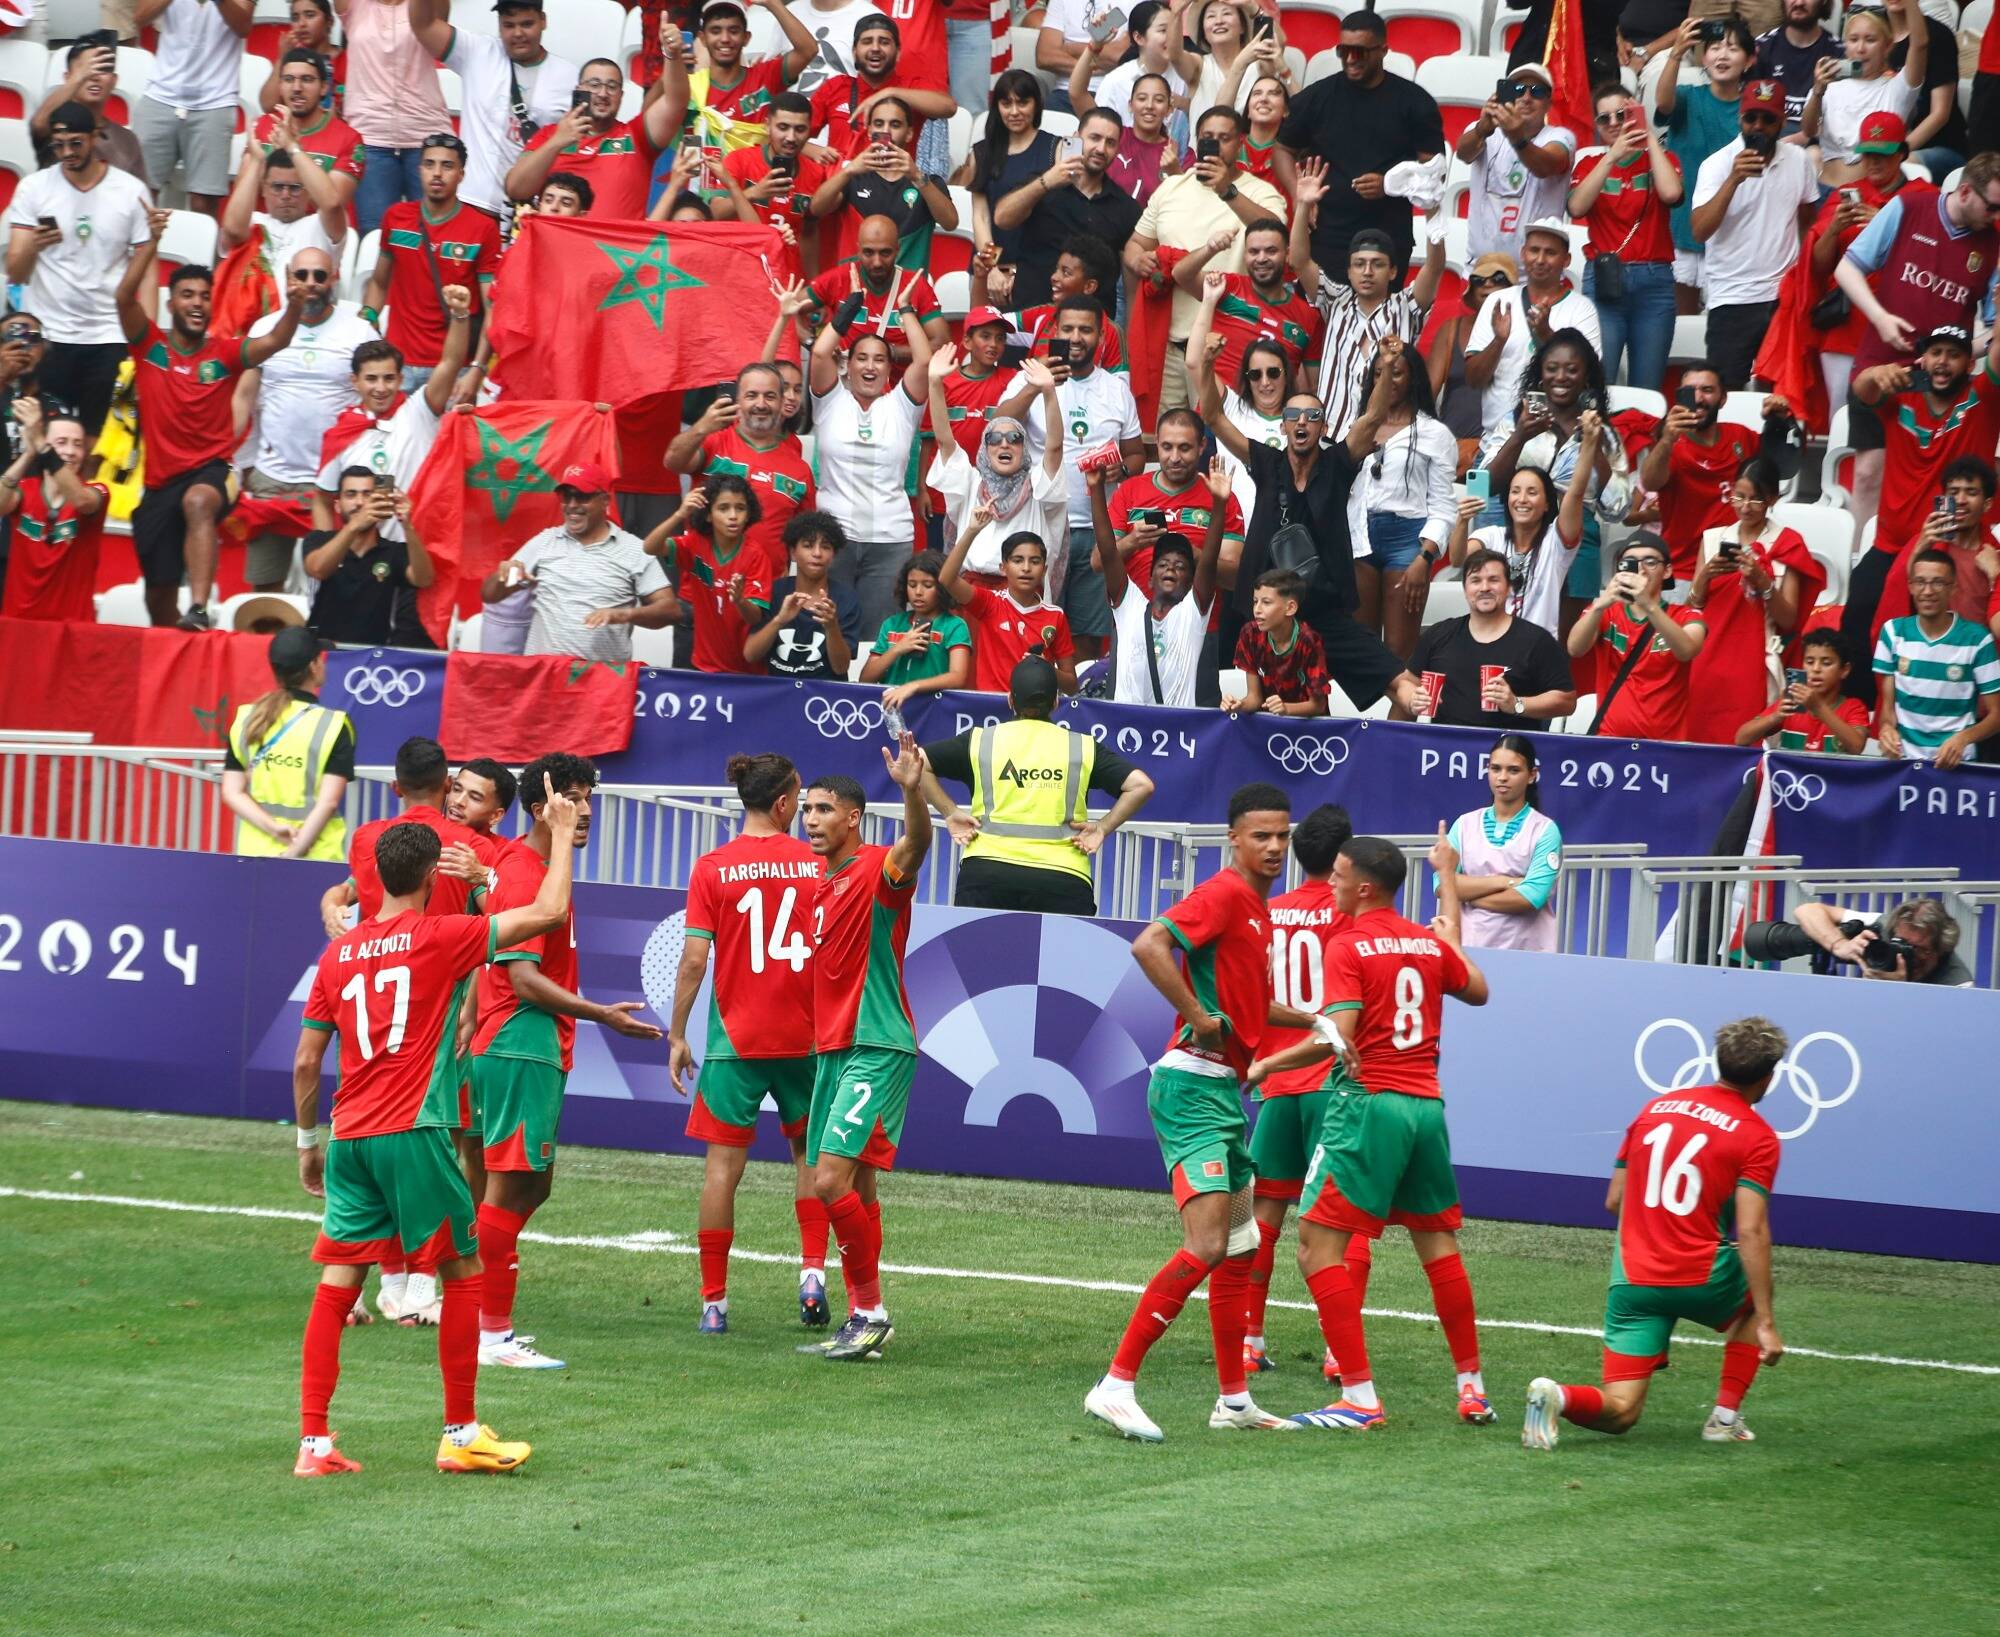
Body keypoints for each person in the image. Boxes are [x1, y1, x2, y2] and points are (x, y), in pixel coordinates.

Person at [290, 789, 582, 1477]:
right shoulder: (440, 936)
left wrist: (306, 1142)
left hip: (349, 1136)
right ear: (430, 877)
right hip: (415, 1129)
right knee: (463, 1270)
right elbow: (548, 912)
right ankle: (460, 1434)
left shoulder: (338, 954)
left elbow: (305, 1060)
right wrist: (564, 833)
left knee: (338, 1281)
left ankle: (314, 1444)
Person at [1243, 831, 1495, 1431]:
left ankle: (1358, 1396)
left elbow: (1339, 1037)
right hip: (1425, 1108)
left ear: (1362, 887)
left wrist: (1265, 1065)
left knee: (1316, 1245)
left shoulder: (1350, 944)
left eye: (1337, 874)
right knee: (1438, 1246)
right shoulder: (1424, 942)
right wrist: (1449, 924)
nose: (1329, 882)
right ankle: (1473, 1389)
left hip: (1368, 1105)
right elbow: (1478, 990)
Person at [1085, 782, 1310, 1442]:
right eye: (1261, 835)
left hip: (1222, 1093)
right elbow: (1148, 944)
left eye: (1282, 835)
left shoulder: (1257, 910)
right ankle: (1115, 1384)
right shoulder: (1225, 894)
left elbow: (1251, 1005)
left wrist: (1317, 1023)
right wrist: (1197, 1016)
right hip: (1192, 1089)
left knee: (1241, 1245)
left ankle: (1234, 1401)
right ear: (1234, 839)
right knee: (1209, 1244)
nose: (1274, 846)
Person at [471, 753, 664, 1370]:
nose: (585, 811)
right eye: (572, 799)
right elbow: (523, 980)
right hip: (519, 1042)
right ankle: (491, 1335)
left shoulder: (537, 869)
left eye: (588, 798)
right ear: (540, 809)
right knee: (509, 1186)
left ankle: (477, 1306)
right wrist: (602, 1013)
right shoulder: (526, 874)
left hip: (530, 1045)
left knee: (533, 1184)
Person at [1522, 1015, 1788, 1452]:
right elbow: (1752, 1229)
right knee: (1756, 1301)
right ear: (1768, 1078)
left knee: (1622, 1411)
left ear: (1718, 1060)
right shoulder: (1757, 1136)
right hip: (1702, 1277)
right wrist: (1769, 1321)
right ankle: (1723, 1420)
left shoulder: (1655, 1109)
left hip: (1634, 1281)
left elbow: (1614, 1200)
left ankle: (1558, 1396)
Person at [319, 733, 501, 1327]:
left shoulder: (369, 839)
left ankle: (383, 1281)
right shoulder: (470, 846)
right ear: (447, 785)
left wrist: (333, 897)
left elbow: (356, 894)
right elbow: (503, 920)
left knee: (373, 1135)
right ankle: (423, 1284)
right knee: (440, 1144)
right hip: (438, 1003)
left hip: (369, 997)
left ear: (395, 786)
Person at [666, 751, 831, 1336]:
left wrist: (678, 1033)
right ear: (783, 803)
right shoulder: (817, 864)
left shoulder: (712, 867)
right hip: (805, 1037)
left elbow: (693, 961)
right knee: (809, 1157)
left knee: (721, 1171)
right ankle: (812, 1275)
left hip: (736, 1042)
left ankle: (714, 1304)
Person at [797, 735, 933, 1363]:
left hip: (876, 1043)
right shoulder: (820, 887)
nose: (811, 819)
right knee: (859, 1186)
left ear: (853, 818)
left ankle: (871, 1312)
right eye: (807, 809)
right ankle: (863, 1318)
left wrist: (912, 790)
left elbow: (917, 844)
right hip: (834, 1049)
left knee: (828, 1180)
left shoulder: (877, 869)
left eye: (823, 809)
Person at [1204, 334, 1425, 717]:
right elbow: (1214, 417)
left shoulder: (1338, 463)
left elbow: (1373, 417)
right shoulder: (1266, 463)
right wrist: (1207, 364)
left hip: (1324, 613)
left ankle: (1399, 748)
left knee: (1409, 689)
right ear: (1283, 427)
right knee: (1271, 706)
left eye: (1312, 417)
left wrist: (1388, 365)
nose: (1302, 422)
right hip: (1271, 616)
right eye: (1293, 416)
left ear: (1323, 428)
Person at [121, 224, 305, 630]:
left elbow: (276, 340)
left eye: (205, 296)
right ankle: (177, 644)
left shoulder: (225, 353)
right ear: (171, 303)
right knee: (158, 600)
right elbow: (122, 297)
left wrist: (294, 307)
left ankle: (201, 609)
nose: (197, 303)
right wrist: (151, 244)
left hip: (215, 471)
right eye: (187, 295)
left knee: (199, 501)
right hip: (159, 485)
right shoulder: (150, 346)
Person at [1237, 801, 1354, 1379]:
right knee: (1341, 1216)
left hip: (1276, 1081)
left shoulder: (1270, 912)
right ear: (1342, 857)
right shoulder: (1346, 914)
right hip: (1330, 1079)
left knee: (1264, 1214)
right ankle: (1338, 1349)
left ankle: (1249, 1339)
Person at [1833, 154, 2000, 526]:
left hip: (1940, 380)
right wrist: (1880, 318)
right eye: (1992, 206)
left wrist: (1957, 352)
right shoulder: (1908, 207)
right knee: (1868, 473)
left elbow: (1994, 330)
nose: (1996, 215)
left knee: (1939, 479)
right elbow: (1847, 268)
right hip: (1881, 364)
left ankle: (1936, 554)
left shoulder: (1994, 244)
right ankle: (1866, 554)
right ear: (1966, 192)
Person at [919, 654, 1154, 915]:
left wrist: (950, 812)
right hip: (1064, 878)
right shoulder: (1082, 747)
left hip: (987, 874)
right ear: (1055, 702)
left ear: (1010, 699)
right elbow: (1141, 785)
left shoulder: (981, 740)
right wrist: (1102, 828)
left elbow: (918, 763)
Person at [6, 101, 155, 442]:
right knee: (44, 439)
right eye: (58, 145)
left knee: (98, 441)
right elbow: (15, 271)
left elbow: (147, 269)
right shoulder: (34, 188)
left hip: (109, 334)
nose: (67, 153)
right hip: (49, 334)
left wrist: (143, 338)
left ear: (94, 136)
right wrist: (34, 246)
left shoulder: (130, 191)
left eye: (76, 143)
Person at [1846, 323, 2000, 649]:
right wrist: (1874, 373)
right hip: (1891, 545)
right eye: (1935, 352)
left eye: (1953, 354)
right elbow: (1862, 392)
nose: (1942, 361)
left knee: (1952, 640)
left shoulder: (1982, 397)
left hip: (1955, 549)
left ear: (1970, 364)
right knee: (1858, 612)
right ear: (1923, 360)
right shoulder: (1900, 399)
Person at [1125, 106, 1288, 413]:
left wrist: (1226, 190)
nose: (1215, 144)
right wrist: (1138, 260)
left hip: (1226, 344)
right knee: (1167, 436)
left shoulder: (1259, 192)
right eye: (1207, 138)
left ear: (1240, 143)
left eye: (1224, 138)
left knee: (1220, 436)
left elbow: (1276, 234)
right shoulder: (1172, 186)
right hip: (1168, 342)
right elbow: (1136, 244)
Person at [237, 249, 378, 593]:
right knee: (264, 589)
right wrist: (226, 459)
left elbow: (378, 400)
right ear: (288, 277)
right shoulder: (264, 328)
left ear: (335, 278)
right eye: (301, 275)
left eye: (319, 275)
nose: (310, 283)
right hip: (272, 477)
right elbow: (242, 398)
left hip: (333, 485)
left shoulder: (360, 332)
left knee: (335, 586)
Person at [1276, 10, 1443, 287]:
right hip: (1327, 235)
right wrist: (1299, 196)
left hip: (1388, 240)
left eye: (1361, 51)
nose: (1351, 59)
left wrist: (1389, 184)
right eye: (1344, 51)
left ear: (1383, 51)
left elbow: (1435, 171)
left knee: (1381, 315)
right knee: (1320, 313)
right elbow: (1282, 149)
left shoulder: (1415, 102)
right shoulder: (1317, 97)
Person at [801, 285, 931, 638]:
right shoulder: (830, 400)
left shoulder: (902, 405)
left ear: (889, 369)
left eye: (879, 359)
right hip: (833, 540)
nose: (870, 366)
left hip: (890, 542)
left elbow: (923, 360)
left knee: (878, 640)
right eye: (861, 358)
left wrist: (905, 309)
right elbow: (820, 352)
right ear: (847, 364)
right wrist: (847, 312)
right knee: (827, 636)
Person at [1690, 78, 1823, 389]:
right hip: (1732, 299)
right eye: (1751, 118)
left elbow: (1807, 220)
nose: (1758, 126)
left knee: (1780, 396)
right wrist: (1733, 180)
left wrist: (1802, 281)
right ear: (1740, 118)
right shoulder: (1718, 164)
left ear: (1782, 121)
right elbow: (1699, 230)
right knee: (1725, 395)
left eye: (1768, 118)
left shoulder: (1798, 160)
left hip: (1782, 298)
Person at [1684, 457, 1823, 745]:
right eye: (1739, 496)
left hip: (1754, 660)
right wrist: (1705, 576)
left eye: (1756, 500)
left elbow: (1789, 620)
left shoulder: (1786, 543)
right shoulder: (1713, 538)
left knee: (1746, 743)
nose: (1745, 507)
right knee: (1700, 740)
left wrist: (1763, 582)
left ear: (1772, 499)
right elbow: (1693, 607)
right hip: (1707, 658)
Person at [481, 462, 675, 664]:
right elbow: (490, 595)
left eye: (582, 496)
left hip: (602, 677)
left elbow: (669, 610)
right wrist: (503, 576)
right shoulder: (545, 541)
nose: (572, 505)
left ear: (605, 501)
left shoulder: (634, 549)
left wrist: (622, 615)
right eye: (566, 497)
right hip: (545, 673)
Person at [407, 0, 581, 224]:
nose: (518, 33)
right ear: (499, 26)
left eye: (527, 24)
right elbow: (423, 24)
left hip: (528, 214)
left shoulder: (569, 77)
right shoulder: (477, 52)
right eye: (509, 25)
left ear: (543, 21)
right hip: (469, 205)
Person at [1097, 404, 1244, 665]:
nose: (1174, 457)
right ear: (1157, 444)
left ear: (1202, 446)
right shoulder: (1129, 491)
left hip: (1197, 630)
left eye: (1184, 448)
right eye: (1167, 447)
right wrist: (1132, 542)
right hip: (1135, 623)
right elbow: (1097, 562)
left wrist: (1191, 553)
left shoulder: (1222, 498)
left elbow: (1234, 579)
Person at [1040, 295, 1143, 655]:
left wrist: (1123, 468)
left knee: (1086, 635)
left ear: (1101, 336)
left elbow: (1137, 454)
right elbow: (1000, 421)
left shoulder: (1117, 389)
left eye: (1085, 330)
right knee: (1038, 628)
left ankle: (1080, 690)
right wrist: (1036, 385)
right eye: (1067, 328)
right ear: (1054, 331)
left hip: (1099, 531)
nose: (1075, 337)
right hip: (1044, 524)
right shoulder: (1034, 379)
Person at [361, 134, 502, 393]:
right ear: (419, 170)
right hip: (397, 365)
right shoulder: (396, 217)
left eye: (447, 166)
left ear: (461, 174)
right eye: (429, 164)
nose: (437, 173)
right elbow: (379, 282)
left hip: (453, 368)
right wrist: (368, 318)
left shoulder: (483, 228)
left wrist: (477, 369)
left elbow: (492, 308)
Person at [1567, 80, 1683, 393]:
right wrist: (1611, 157)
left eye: (1622, 114)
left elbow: (1671, 194)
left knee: (1647, 388)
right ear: (1596, 125)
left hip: (1654, 283)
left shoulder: (1662, 159)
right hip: (1605, 280)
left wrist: (1649, 137)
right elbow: (1576, 207)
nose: (1614, 123)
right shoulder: (1589, 164)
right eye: (1604, 118)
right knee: (1597, 383)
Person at [1346, 335, 1458, 656]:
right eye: (1379, 373)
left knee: (1399, 652)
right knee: (1363, 649)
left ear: (1413, 379)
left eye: (1396, 372)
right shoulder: (1359, 428)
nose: (1388, 379)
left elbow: (1443, 506)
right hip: (1360, 537)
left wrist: (1425, 558)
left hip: (1407, 539)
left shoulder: (1434, 433)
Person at [1092, 454, 1231, 708]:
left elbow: (1209, 561)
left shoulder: (1193, 614)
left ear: (1191, 582)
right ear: (1149, 579)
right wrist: (1096, 489)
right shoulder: (1129, 606)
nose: (1171, 569)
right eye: (1163, 564)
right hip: (1127, 727)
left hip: (1175, 728)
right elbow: (1109, 553)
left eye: (1180, 566)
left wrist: (1220, 504)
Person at [666, 361, 817, 581]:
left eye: (770, 396)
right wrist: (701, 427)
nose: (761, 404)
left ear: (781, 402)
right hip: (705, 588)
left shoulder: (799, 469)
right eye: (752, 395)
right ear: (738, 400)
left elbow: (806, 537)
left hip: (767, 591)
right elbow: (672, 462)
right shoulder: (714, 442)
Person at [1403, 547, 1579, 729]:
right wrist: (1413, 699)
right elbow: (1407, 681)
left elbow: (1566, 700)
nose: (1485, 587)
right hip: (1447, 743)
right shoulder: (1438, 634)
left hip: (1510, 744)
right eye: (1476, 581)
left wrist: (1516, 704)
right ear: (1465, 589)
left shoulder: (1536, 640)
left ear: (1509, 587)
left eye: (1494, 580)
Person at [222, 626, 355, 862]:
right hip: (316, 858)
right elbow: (328, 802)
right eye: (320, 658)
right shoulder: (333, 725)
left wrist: (274, 829)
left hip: (255, 854)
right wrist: (292, 855)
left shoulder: (247, 718)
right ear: (313, 666)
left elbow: (232, 792)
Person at [1653, 15, 1758, 313]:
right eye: (1714, 47)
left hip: (1734, 232)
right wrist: (1676, 53)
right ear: (1703, 57)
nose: (1722, 55)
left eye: (1733, 48)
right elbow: (1663, 103)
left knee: (1725, 323)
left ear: (1749, 60)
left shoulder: (1754, 111)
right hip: (1684, 227)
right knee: (1681, 321)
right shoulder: (1687, 97)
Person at [991, 106, 1142, 311]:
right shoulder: (1042, 182)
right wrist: (1046, 182)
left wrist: (1130, 330)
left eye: (1110, 142)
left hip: (1091, 323)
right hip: (1031, 316)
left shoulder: (1125, 207)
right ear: (1076, 138)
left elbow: (1132, 286)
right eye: (1094, 138)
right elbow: (1002, 218)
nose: (1101, 148)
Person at [505, 52, 690, 219]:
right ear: (579, 90)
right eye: (594, 85)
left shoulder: (636, 135)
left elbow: (677, 101)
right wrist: (556, 142)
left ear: (621, 95)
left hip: (618, 247)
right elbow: (516, 189)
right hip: (560, 245)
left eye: (612, 87)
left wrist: (672, 54)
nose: (603, 93)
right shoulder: (549, 135)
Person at [1463, 219, 1601, 438]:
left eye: (1550, 253)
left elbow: (1590, 378)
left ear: (1566, 260)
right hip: (1499, 437)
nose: (1540, 259)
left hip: (1560, 439)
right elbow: (1473, 380)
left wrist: (1546, 334)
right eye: (1534, 250)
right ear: (1523, 253)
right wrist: (1498, 341)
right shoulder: (1498, 301)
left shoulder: (1582, 308)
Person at [1567, 532, 1708, 740]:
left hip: (1666, 745)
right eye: (1630, 562)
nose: (1640, 570)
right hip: (1610, 740)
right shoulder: (1606, 612)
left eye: (1650, 562)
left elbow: (1687, 650)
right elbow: (1575, 648)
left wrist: (1647, 604)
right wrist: (1600, 605)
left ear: (1667, 570)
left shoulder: (1686, 615)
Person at [1456, 439, 1593, 643]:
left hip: (1538, 650)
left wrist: (1590, 443)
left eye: (1532, 492)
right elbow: (1458, 560)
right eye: (1515, 491)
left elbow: (1575, 493)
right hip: (1493, 645)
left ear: (1547, 504)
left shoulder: (1555, 541)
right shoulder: (1492, 535)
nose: (1522, 499)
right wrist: (1462, 521)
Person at [1872, 550, 2000, 767]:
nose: (1928, 591)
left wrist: (1963, 739)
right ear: (1910, 586)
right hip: (1905, 764)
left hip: (1958, 765)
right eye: (1920, 582)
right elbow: (1888, 709)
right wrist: (1886, 729)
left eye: (1938, 583)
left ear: (1953, 588)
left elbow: (1997, 716)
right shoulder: (1893, 632)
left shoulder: (1978, 640)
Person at [1636, 362, 1763, 579]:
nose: (1698, 398)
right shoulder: (1671, 446)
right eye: (1690, 391)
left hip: (1734, 570)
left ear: (1723, 398)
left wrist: (1781, 420)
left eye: (1707, 390)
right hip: (1682, 570)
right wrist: (1667, 439)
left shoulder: (1741, 436)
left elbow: (1784, 468)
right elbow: (1649, 482)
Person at [806, 95, 959, 272]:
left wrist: (917, 176)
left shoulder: (927, 183)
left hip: (907, 286)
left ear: (909, 133)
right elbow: (816, 209)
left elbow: (950, 223)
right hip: (855, 284)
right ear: (869, 131)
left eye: (895, 125)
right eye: (879, 124)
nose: (886, 131)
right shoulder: (853, 178)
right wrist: (848, 170)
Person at [218, 121, 352, 320]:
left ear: (308, 190)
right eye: (277, 187)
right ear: (264, 189)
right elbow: (232, 230)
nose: (286, 195)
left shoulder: (321, 226)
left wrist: (293, 148)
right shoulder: (253, 221)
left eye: (295, 188)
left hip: (305, 325)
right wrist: (256, 161)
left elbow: (332, 204)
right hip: (250, 327)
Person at [340, 0, 454, 234]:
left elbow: (440, 15)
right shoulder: (355, 5)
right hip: (370, 137)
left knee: (436, 234)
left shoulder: (423, 6)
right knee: (375, 236)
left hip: (427, 136)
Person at [1171, 217, 1321, 394]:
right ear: (1245, 255)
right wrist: (1210, 249)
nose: (1261, 258)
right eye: (1253, 252)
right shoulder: (1228, 286)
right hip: (1219, 405)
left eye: (1271, 251)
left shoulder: (1309, 317)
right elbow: (1181, 275)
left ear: (1288, 254)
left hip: (1271, 409)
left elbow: (1314, 386)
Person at [1442, 735, 1564, 953]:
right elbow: (1442, 884)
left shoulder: (1545, 830)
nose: (1502, 777)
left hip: (1525, 954)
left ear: (1532, 775)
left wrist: (1467, 895)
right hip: (1469, 949)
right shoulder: (1464, 824)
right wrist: (1505, 882)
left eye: (1513, 770)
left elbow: (1531, 897)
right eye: (1495, 768)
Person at [132, 0, 248, 218]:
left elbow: (243, 26)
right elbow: (139, 17)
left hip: (215, 100)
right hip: (160, 95)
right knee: (141, 194)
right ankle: (144, 241)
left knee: (203, 201)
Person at [0, 402, 109, 625]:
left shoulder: (97, 491)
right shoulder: (25, 490)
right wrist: (30, 453)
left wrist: (43, 446)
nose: (70, 451)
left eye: (78, 444)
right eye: (61, 442)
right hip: (18, 623)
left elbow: (81, 501)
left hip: (72, 628)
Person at [1458, 63, 1577, 267]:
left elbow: (1546, 166)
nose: (1526, 98)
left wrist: (1517, 138)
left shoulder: (1561, 136)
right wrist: (1482, 128)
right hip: (1480, 270)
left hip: (1535, 274)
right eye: (1518, 90)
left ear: (1549, 103)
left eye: (1537, 92)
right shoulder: (1484, 131)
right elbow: (1463, 153)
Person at [303, 466, 435, 644]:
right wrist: (355, 525)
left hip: (374, 655)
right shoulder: (319, 540)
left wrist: (408, 526)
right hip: (322, 650)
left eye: (368, 495)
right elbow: (318, 569)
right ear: (337, 505)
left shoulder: (394, 551)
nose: (359, 502)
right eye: (351, 495)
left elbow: (424, 579)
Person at [1801, 3, 1924, 188]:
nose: (1860, 48)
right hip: (1825, 191)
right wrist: (1818, 90)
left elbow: (1920, 44)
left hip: (1872, 196)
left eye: (1870, 40)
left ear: (1887, 45)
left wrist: (1910, 3)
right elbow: (1808, 131)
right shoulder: (1830, 87)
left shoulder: (1897, 89)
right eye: (1853, 39)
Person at [249, 48, 366, 213]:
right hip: (267, 227)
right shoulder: (262, 127)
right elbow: (245, 196)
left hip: (318, 228)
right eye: (289, 79)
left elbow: (332, 206)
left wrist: (292, 152)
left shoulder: (349, 139)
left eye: (307, 79)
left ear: (324, 87)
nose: (297, 88)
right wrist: (271, 161)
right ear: (280, 86)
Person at [961, 68, 1060, 261]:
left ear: (1036, 104)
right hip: (991, 264)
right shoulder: (982, 152)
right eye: (1006, 104)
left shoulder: (1054, 148)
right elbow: (981, 217)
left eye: (1023, 103)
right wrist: (992, 267)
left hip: (1039, 264)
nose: (1014, 112)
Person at [746, 510, 860, 678]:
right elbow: (751, 655)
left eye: (825, 547)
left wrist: (832, 627)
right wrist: (779, 620)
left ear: (833, 555)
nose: (817, 553)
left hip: (824, 692)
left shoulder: (846, 598)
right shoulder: (774, 592)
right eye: (808, 545)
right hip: (779, 690)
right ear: (792, 552)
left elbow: (841, 668)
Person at [860, 549, 974, 710]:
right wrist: (897, 649)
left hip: (934, 710)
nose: (918, 592)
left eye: (928, 585)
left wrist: (913, 686)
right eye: (912, 585)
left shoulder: (955, 625)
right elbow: (865, 679)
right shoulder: (892, 624)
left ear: (942, 587)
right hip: (892, 708)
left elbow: (958, 677)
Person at [30, 37, 149, 185]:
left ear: (114, 80)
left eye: (102, 70)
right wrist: (78, 78)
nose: (94, 76)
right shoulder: (55, 126)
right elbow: (39, 124)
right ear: (68, 78)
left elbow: (139, 194)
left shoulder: (127, 139)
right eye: (85, 69)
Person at [1735, 627, 1871, 752]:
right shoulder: (1792, 702)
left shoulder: (1854, 708)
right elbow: (1741, 739)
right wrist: (1775, 716)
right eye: (1809, 662)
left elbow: (1857, 746)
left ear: (1844, 670)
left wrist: (1818, 707)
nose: (1816, 669)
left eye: (1826, 663)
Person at [1791, 894, 1974, 984]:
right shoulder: (1884, 928)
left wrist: (1898, 992)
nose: (1906, 954)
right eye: (1901, 942)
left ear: (1941, 950)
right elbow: (1807, 910)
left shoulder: (1959, 985)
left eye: (1920, 949)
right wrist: (1840, 945)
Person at [1224, 568, 1330, 716]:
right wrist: (1240, 705)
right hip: (1269, 723)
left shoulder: (1309, 641)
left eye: (1266, 602)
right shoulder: (1250, 634)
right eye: (1255, 601)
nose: (1257, 609)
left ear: (1290, 608)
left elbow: (1318, 705)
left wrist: (1286, 709)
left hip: (1308, 726)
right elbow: (1255, 698)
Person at [1755, 0, 1842, 130]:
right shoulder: (1761, 46)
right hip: (1768, 135)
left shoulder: (1839, 52)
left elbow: (1838, 121)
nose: (1799, 3)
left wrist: (1803, 137)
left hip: (1816, 138)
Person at [1037, 0, 1133, 114]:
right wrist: (1087, 68)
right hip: (1064, 94)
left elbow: (1120, 56)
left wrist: (1070, 48)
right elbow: (1045, 56)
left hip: (1113, 93)